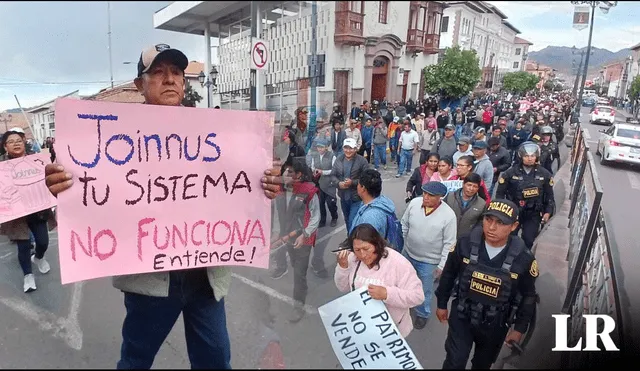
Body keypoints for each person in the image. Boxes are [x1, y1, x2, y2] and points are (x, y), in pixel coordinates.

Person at [43, 44, 285, 369]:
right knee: (135, 361)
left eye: (176, 72)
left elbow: (238, 187)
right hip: (150, 281)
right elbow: (90, 198)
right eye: (158, 72)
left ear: (185, 83)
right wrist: (63, 188)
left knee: (215, 360)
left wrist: (264, 185)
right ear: (139, 84)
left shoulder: (218, 134)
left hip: (206, 276)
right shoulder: (114, 139)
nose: (169, 79)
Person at [435, 199, 538, 369]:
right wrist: (441, 304)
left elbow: (528, 296)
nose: (491, 227)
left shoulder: (523, 258)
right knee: (455, 361)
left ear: (513, 226)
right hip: (463, 316)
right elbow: (449, 274)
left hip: (495, 324)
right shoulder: (465, 243)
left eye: (500, 223)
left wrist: (519, 329)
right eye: (488, 220)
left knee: (482, 365)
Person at [334, 223, 425, 338]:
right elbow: (343, 287)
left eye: (366, 249)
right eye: (357, 250)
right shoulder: (353, 259)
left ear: (377, 244)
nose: (363, 255)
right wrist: (343, 267)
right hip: (363, 327)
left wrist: (387, 294)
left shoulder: (398, 263)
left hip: (391, 331)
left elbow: (418, 296)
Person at [1, 130, 56, 293]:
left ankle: (38, 257)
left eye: (19, 140)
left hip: (37, 209)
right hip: (16, 215)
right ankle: (28, 276)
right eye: (11, 141)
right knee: (23, 246)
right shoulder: (1, 167)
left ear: (24, 142)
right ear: (5, 147)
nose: (16, 143)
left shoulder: (37, 160)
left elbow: (49, 179)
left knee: (43, 241)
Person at [401, 181, 457, 329]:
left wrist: (441, 266)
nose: (425, 197)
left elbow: (449, 244)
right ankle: (404, 304)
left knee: (424, 290)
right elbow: (404, 224)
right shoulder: (414, 203)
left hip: (429, 262)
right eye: (424, 193)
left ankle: (422, 313)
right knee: (404, 282)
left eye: (431, 195)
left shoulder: (449, 216)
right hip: (408, 253)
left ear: (440, 197)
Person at [271, 158, 320, 322]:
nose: (285, 174)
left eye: (289, 172)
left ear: (299, 174)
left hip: (302, 240)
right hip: (287, 238)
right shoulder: (280, 190)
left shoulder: (309, 191)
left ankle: (298, 307)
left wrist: (305, 234)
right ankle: (302, 287)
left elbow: (315, 217)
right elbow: (278, 214)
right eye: (284, 171)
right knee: (295, 267)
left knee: (299, 274)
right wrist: (277, 233)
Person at [495, 142, 555, 250]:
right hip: (513, 212)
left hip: (533, 213)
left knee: (528, 240)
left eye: (532, 156)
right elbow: (500, 193)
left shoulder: (544, 174)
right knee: (508, 238)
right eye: (527, 156)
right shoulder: (510, 173)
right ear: (521, 156)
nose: (530, 159)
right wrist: (500, 211)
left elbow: (549, 195)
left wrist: (548, 212)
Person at [330, 138, 369, 233]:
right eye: (346, 148)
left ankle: (354, 240)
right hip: (343, 197)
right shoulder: (339, 159)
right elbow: (333, 175)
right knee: (347, 219)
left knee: (353, 220)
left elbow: (367, 179)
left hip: (357, 197)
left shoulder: (362, 161)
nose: (348, 150)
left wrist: (352, 183)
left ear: (355, 149)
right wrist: (338, 184)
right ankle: (350, 238)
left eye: (350, 148)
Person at [349, 169, 396, 236]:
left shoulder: (369, 218)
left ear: (363, 188)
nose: (357, 187)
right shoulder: (381, 201)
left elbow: (365, 243)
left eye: (358, 184)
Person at [443, 173, 487, 238]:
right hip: (446, 235)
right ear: (463, 184)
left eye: (475, 186)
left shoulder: (481, 204)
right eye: (469, 185)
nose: (471, 189)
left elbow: (481, 222)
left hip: (466, 240)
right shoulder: (450, 196)